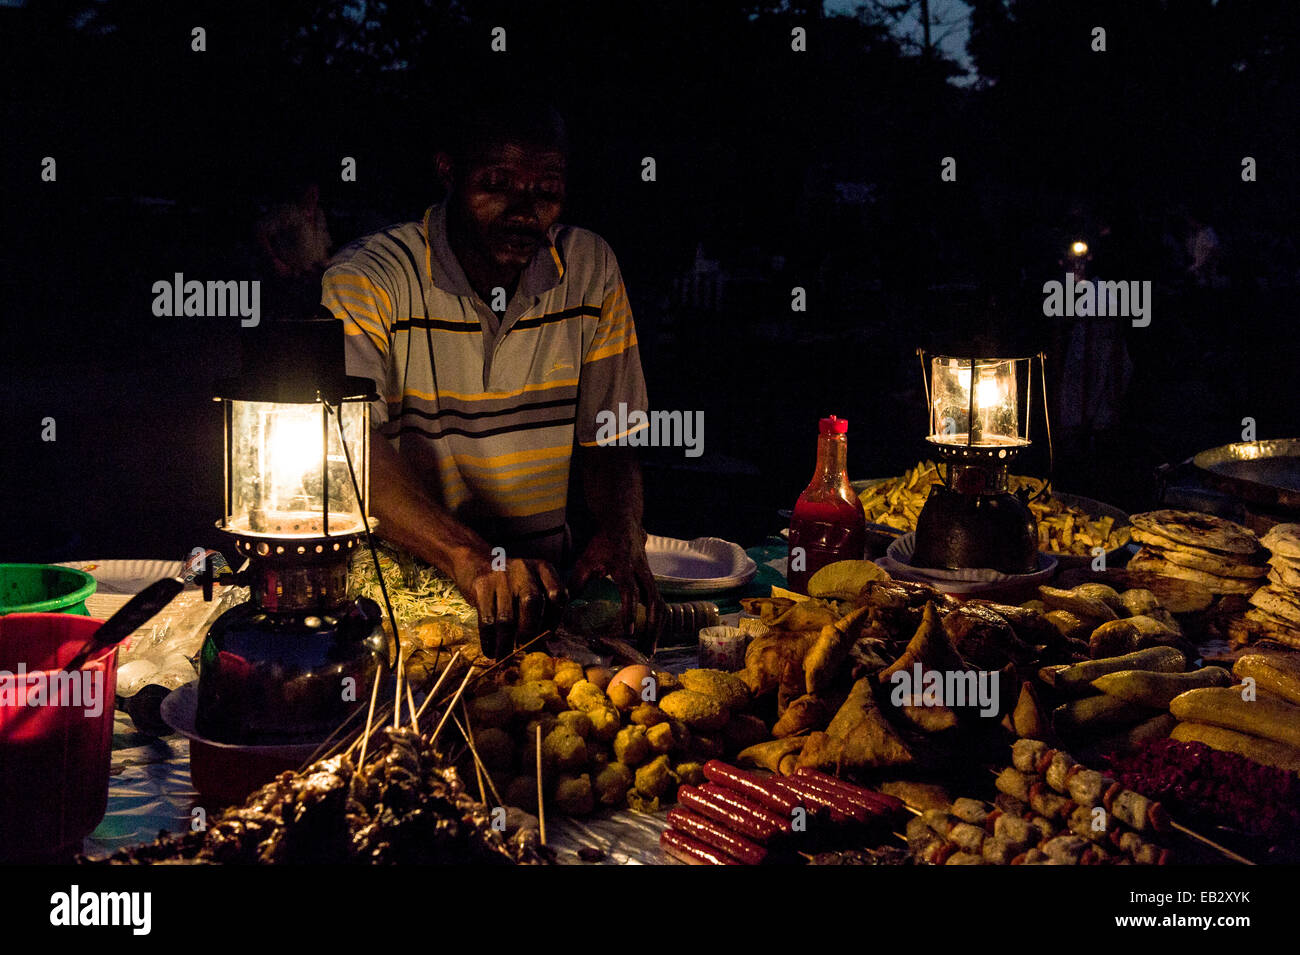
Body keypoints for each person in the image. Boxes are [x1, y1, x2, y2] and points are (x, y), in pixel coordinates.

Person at [320, 96, 663, 654]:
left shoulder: (590, 268)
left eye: (546, 190)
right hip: (413, 594)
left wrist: (622, 533)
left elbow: (611, 435)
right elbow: (351, 446)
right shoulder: (370, 278)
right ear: (447, 170)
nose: (524, 212)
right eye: (497, 184)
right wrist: (470, 559)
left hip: (547, 597)